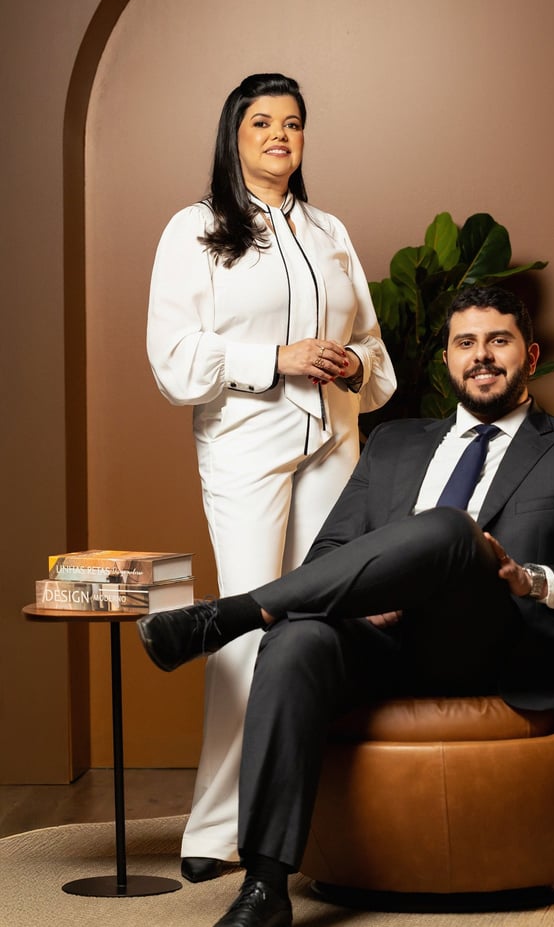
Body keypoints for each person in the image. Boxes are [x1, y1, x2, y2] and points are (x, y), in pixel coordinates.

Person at [139, 284, 554, 927]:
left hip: (492, 647)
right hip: (384, 645)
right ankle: (266, 887)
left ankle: (231, 616)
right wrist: (363, 604)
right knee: (296, 641)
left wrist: (529, 579)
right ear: (447, 360)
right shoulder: (394, 444)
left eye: (498, 341)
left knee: (449, 529)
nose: (481, 355)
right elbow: (329, 553)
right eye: (465, 343)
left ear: (529, 354)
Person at [146, 73, 396, 883]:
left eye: (292, 122)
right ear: (235, 134)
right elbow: (174, 360)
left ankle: (318, 822)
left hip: (334, 442)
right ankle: (217, 827)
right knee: (247, 629)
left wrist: (352, 361)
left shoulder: (329, 231)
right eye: (262, 122)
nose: (280, 135)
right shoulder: (195, 229)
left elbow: (377, 354)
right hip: (246, 446)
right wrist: (276, 358)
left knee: (325, 621)